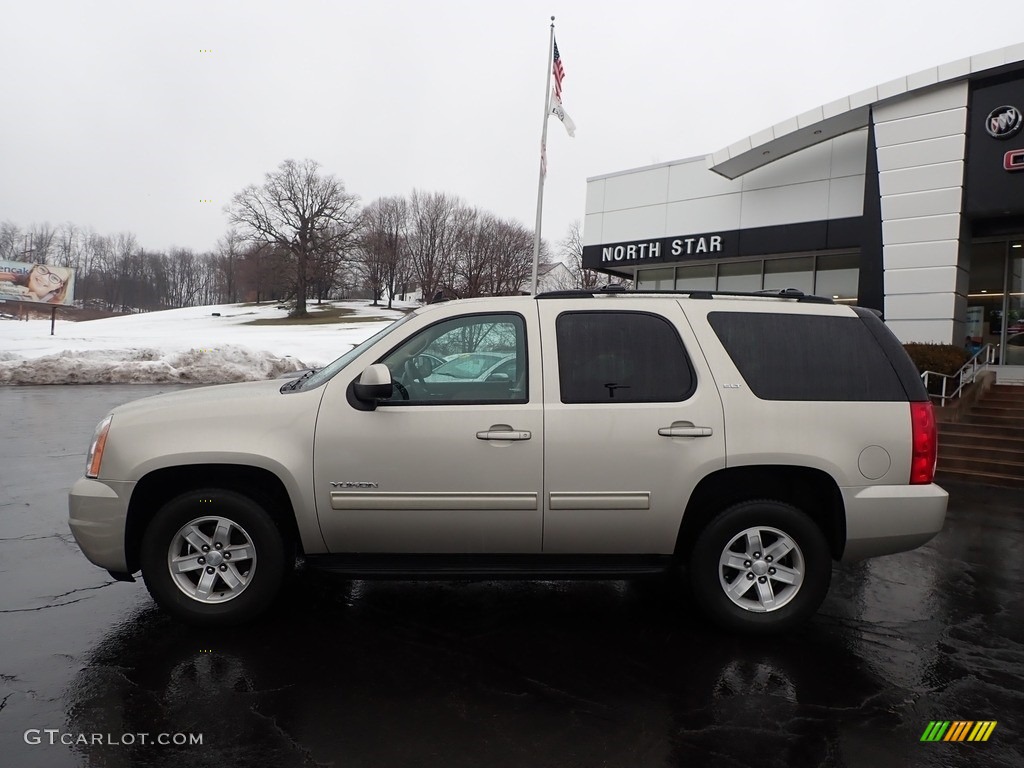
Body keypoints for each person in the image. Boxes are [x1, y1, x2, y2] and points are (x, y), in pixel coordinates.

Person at [0, 264, 71, 304]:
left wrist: (34, 304)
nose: (44, 278)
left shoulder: (56, 305)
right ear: (34, 269)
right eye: (43, 269)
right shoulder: (7, 280)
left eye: (55, 278)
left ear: (60, 286)